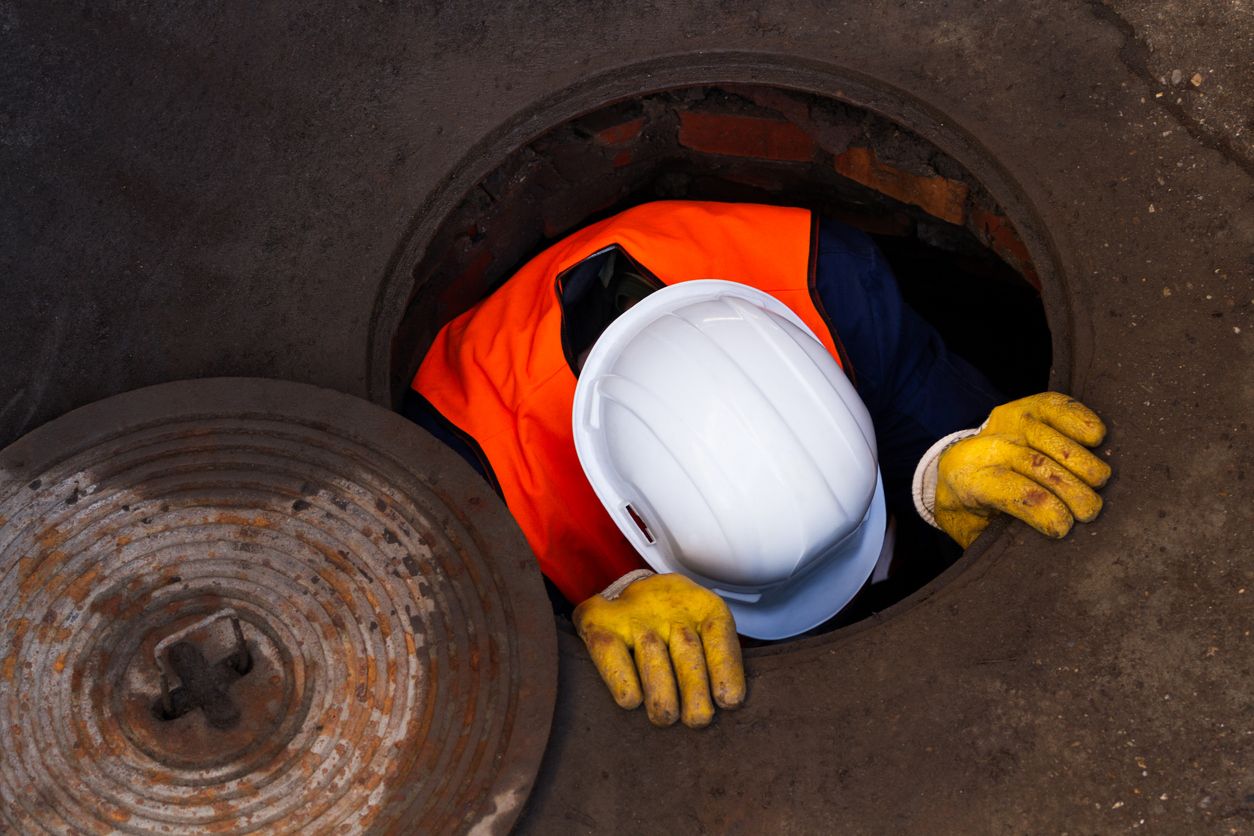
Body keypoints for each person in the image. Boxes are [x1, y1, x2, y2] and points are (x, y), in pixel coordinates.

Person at [404, 201, 1111, 728]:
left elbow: (905, 391)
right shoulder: (464, 460)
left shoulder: (827, 279)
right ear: (632, 518)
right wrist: (557, 623)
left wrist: (938, 463)